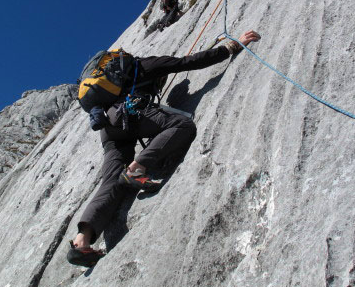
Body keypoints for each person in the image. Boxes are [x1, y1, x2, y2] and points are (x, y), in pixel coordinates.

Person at [67, 29, 262, 267]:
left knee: (109, 183)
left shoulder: (111, 85)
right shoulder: (146, 64)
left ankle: (82, 241)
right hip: (130, 114)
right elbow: (187, 62)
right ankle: (137, 169)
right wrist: (232, 47)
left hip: (109, 130)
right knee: (182, 124)